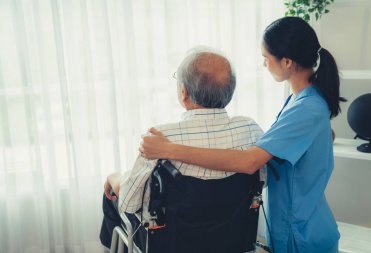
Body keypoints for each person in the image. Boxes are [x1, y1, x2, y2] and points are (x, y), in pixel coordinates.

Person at [140, 17, 346, 253]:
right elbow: (322, 135)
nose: (264, 65)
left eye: (266, 59)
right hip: (297, 226)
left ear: (287, 61)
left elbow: (249, 163)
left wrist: (169, 149)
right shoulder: (304, 99)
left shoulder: (306, 107)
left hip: (303, 235)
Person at [99, 46, 266, 249]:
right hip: (232, 239)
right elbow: (261, 183)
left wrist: (114, 177)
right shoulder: (250, 129)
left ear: (184, 92)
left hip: (171, 244)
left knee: (113, 196)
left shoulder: (161, 138)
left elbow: (128, 203)